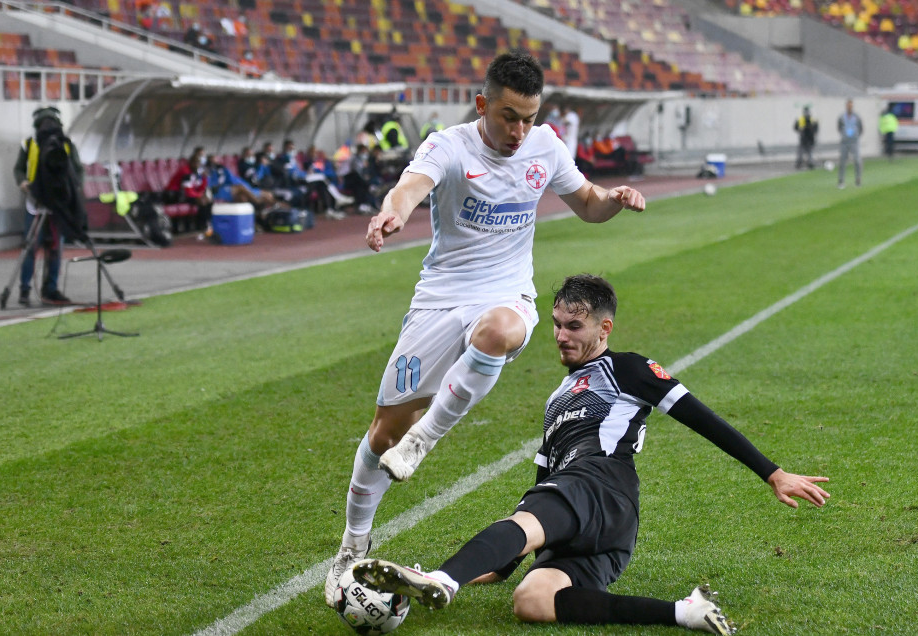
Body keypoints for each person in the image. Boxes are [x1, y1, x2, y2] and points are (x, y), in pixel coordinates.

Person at [324, 49, 647, 606]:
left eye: (529, 116)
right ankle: (351, 548)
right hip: (440, 299)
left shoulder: (545, 146)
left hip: (506, 295)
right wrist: (393, 213)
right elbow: (409, 187)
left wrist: (614, 200)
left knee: (498, 331)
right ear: (483, 104)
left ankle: (425, 439)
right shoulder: (448, 145)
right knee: (382, 434)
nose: (520, 129)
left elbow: (589, 205)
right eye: (509, 116)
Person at [354, 274, 830, 634]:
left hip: (601, 482)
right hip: (598, 521)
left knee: (523, 526)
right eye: (557, 325)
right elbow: (538, 492)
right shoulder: (557, 397)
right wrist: (498, 567)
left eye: (574, 326)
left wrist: (772, 473)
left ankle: (442, 580)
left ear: (604, 327)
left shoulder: (627, 369)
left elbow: (700, 417)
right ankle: (688, 613)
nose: (561, 335)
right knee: (533, 601)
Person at [12, 106, 85, 307]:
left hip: (58, 203)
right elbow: (18, 168)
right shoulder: (28, 144)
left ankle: (51, 288)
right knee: (31, 247)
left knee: (55, 247)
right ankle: (25, 289)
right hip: (35, 203)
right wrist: (22, 182)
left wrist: (75, 188)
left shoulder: (67, 145)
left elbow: (79, 170)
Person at [165, 146, 212, 234]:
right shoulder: (186, 172)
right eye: (196, 163)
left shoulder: (196, 172)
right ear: (191, 163)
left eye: (198, 164)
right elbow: (187, 191)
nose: (197, 166)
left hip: (187, 194)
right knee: (202, 201)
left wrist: (204, 179)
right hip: (176, 194)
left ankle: (206, 224)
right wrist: (199, 196)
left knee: (208, 201)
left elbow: (199, 188)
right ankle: (201, 226)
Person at [837, 98, 863, 189]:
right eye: (848, 105)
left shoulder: (856, 117)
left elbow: (861, 128)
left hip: (854, 141)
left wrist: (855, 135)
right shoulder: (842, 117)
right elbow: (839, 127)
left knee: (857, 160)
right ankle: (841, 180)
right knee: (842, 161)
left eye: (851, 105)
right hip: (844, 141)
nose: (849, 107)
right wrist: (844, 134)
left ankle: (858, 179)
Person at [793, 105, 818, 169]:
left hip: (810, 138)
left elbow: (815, 129)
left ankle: (810, 163)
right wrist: (801, 129)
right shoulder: (800, 119)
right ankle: (799, 163)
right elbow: (796, 128)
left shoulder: (812, 120)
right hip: (803, 138)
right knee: (800, 152)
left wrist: (811, 130)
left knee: (809, 152)